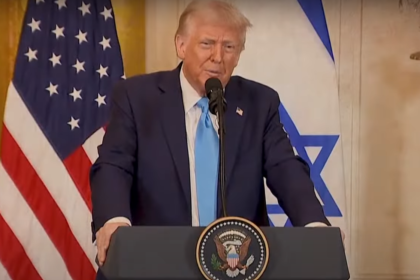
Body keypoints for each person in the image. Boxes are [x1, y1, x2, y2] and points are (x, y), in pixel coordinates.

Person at [90, 0, 342, 277]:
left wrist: (315, 227)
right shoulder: (137, 97)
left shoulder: (260, 102)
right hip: (155, 262)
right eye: (207, 44)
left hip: (237, 266)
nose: (218, 57)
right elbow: (114, 164)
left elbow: (285, 167)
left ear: (239, 54)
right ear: (181, 46)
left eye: (229, 47)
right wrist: (114, 220)